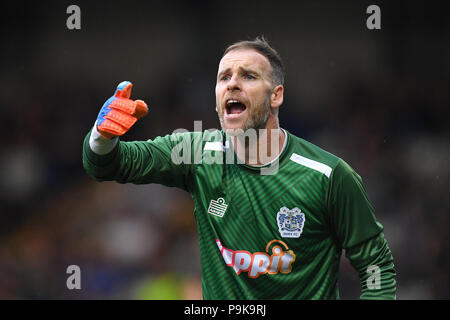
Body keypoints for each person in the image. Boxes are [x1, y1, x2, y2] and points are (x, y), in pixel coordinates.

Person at [82, 37, 396, 299]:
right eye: (224, 77)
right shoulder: (196, 153)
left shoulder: (328, 175)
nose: (232, 83)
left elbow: (376, 266)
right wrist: (101, 137)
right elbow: (111, 165)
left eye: (248, 76)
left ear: (276, 95)